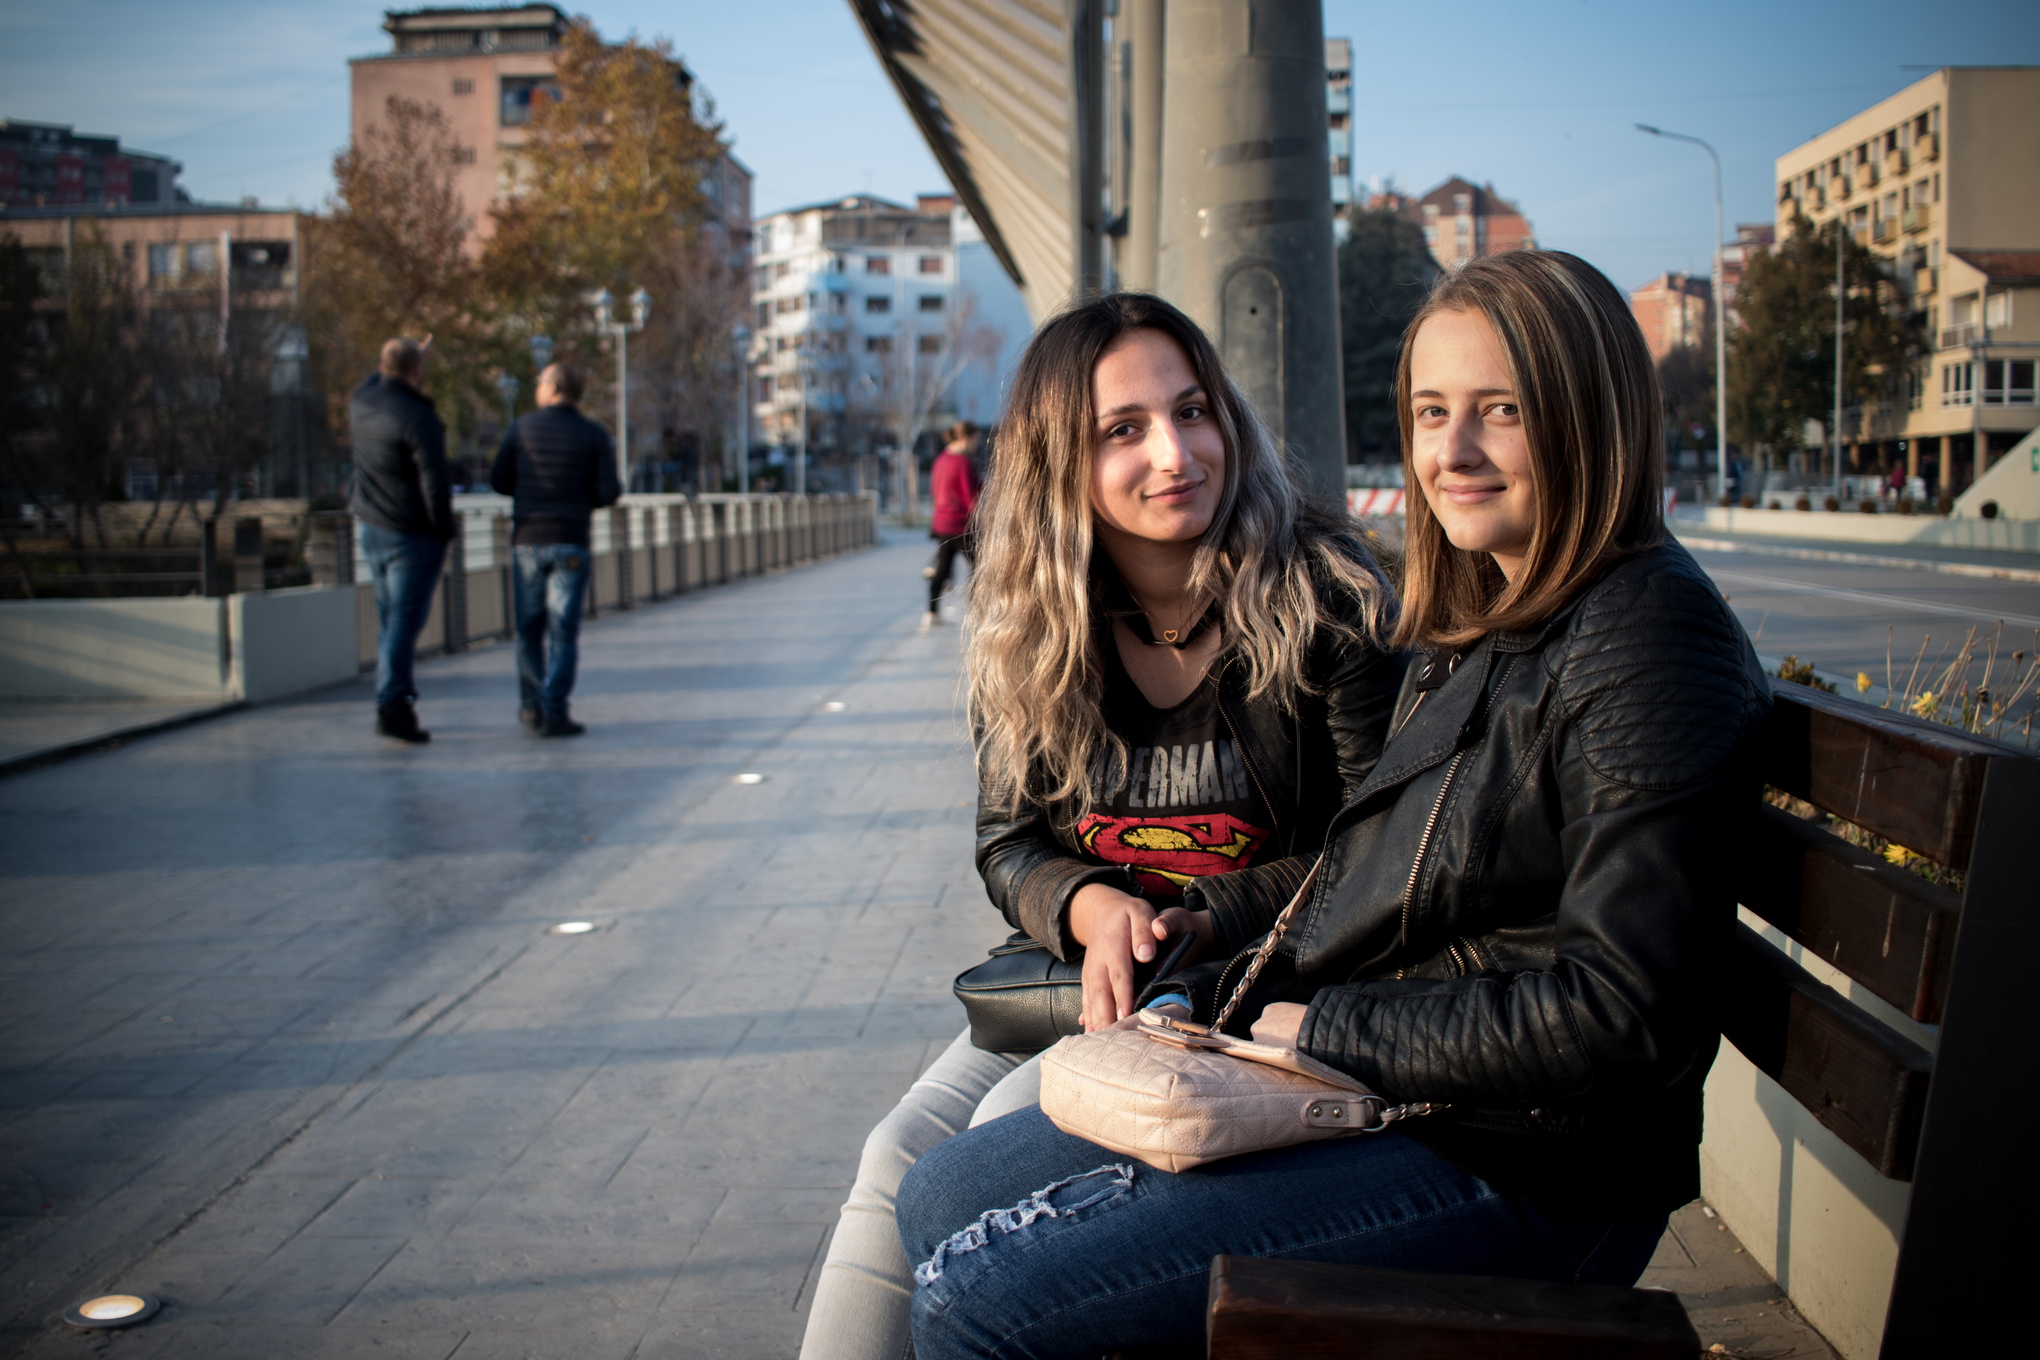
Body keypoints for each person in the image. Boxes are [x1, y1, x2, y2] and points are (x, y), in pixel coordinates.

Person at [892, 251, 1775, 1360]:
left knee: (984, 1296)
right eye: (1431, 411)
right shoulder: (1502, 617)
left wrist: (1321, 1027)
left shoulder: (1645, 636)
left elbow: (1627, 1016)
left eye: (1500, 413)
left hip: (1532, 1165)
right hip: (1408, 1094)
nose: (1451, 453)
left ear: (1591, 415)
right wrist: (1203, 974)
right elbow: (1366, 878)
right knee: (940, 1192)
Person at [798, 293, 1405, 1360]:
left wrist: (1201, 917)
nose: (1174, 452)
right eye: (1121, 430)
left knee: (1004, 1142)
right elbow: (1007, 843)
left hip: (1246, 996)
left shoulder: (1322, 596)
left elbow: (1380, 850)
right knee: (895, 1150)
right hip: (1079, 983)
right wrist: (1083, 901)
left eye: (1192, 410)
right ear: (1058, 463)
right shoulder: (1033, 622)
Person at [489, 362, 620, 738]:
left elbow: (499, 479)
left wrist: (531, 492)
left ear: (551, 387)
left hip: (528, 539)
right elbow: (609, 492)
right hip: (571, 540)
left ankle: (532, 708)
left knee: (529, 630)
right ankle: (556, 710)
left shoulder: (522, 428)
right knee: (564, 632)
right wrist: (578, 498)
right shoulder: (593, 434)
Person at [350, 336, 455, 744]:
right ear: (418, 370)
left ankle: (389, 698)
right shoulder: (417, 416)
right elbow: (435, 480)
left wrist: (400, 360)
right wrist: (444, 530)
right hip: (411, 534)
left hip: (372, 528)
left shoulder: (362, 404)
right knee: (403, 624)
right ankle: (394, 706)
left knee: (388, 620)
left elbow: (371, 382)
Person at [921, 421, 983, 630]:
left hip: (942, 523)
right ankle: (978, 611)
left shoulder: (940, 460)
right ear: (966, 438)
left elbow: (934, 491)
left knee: (941, 569)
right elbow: (972, 498)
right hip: (962, 524)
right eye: (976, 440)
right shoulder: (963, 463)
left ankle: (931, 613)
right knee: (981, 567)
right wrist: (986, 520)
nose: (977, 444)